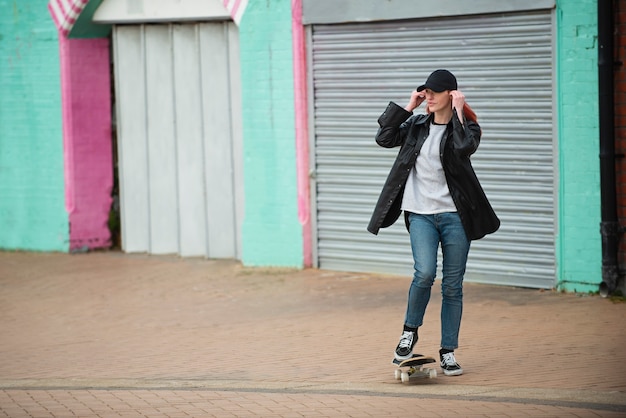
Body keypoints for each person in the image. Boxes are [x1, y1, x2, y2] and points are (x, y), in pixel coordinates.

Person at [367, 69, 500, 376]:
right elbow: (384, 137)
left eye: (434, 93)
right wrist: (407, 106)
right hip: (420, 213)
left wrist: (457, 112)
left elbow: (464, 148)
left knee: (453, 285)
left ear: (451, 95)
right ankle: (409, 332)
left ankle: (448, 352)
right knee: (424, 273)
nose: (428, 96)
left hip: (456, 217)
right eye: (425, 91)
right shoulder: (414, 124)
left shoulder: (466, 128)